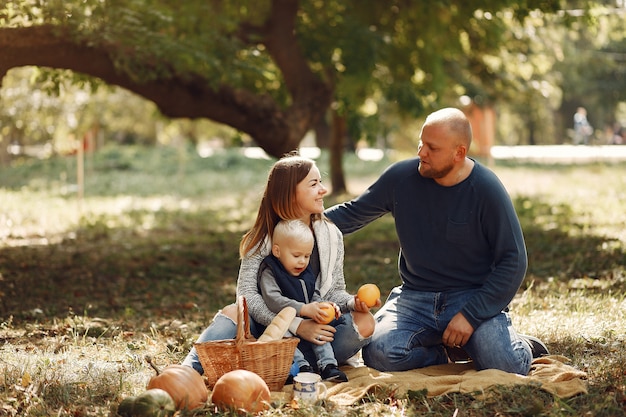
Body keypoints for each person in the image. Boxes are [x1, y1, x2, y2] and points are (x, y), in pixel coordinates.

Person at [325, 107, 549, 376]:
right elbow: (352, 214)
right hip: (415, 296)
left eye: (432, 148)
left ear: (459, 153)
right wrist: (299, 223)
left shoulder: (486, 189)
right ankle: (444, 352)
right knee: (379, 353)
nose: (421, 153)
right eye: (421, 144)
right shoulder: (401, 178)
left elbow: (514, 260)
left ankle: (520, 344)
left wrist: (470, 316)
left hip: (471, 295)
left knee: (506, 365)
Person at [182, 153, 376, 378]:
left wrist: (353, 302)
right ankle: (186, 371)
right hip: (268, 330)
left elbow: (333, 291)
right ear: (290, 194)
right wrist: (295, 325)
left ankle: (281, 364)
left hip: (314, 337)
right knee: (233, 312)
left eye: (320, 182)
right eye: (314, 184)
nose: (323, 190)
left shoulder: (331, 235)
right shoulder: (264, 239)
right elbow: (247, 298)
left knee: (365, 321)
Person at [259, 219, 348, 382]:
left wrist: (321, 306)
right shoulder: (270, 272)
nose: (302, 261)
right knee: (284, 336)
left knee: (320, 326)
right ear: (277, 251)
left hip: (305, 318)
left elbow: (312, 292)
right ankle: (301, 366)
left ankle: (328, 365)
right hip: (282, 321)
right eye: (296, 255)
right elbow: (273, 300)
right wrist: (303, 309)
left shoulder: (305, 271)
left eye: (307, 256)